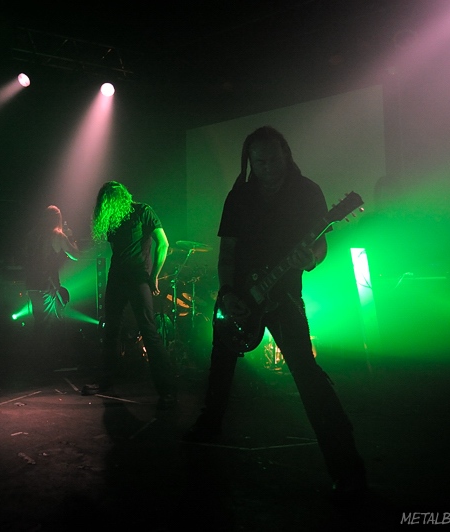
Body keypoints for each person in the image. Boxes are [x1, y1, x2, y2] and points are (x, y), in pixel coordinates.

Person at [184, 126, 367, 502]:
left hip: (284, 297)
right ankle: (209, 424)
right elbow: (228, 251)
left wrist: (310, 259)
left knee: (308, 375)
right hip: (239, 296)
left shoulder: (307, 192)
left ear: (287, 153)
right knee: (221, 363)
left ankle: (347, 467)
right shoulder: (239, 196)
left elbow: (320, 245)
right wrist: (227, 293)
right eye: (259, 161)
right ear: (250, 162)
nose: (268, 167)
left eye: (274, 158)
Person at [83, 181, 177, 409]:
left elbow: (163, 244)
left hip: (137, 278)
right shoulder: (113, 219)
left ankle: (167, 389)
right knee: (111, 330)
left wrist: (154, 275)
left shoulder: (143, 211)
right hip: (117, 278)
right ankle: (106, 380)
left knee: (149, 331)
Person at [23, 205, 79, 361]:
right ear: (57, 218)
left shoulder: (32, 235)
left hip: (32, 284)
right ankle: (47, 361)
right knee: (49, 323)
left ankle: (37, 360)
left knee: (39, 321)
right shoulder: (57, 235)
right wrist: (71, 237)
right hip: (47, 284)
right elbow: (75, 255)